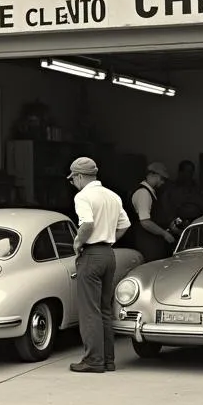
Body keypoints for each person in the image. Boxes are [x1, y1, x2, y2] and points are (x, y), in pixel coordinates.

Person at [66, 156, 131, 374]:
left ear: (80, 176)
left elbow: (87, 224)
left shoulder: (83, 197)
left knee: (89, 310)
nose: (73, 183)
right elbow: (126, 225)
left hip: (91, 254)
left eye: (73, 179)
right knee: (104, 309)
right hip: (108, 254)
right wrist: (108, 238)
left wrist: (78, 242)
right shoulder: (112, 196)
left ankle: (93, 360)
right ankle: (108, 360)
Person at [127, 162, 176, 263]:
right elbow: (145, 222)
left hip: (151, 241)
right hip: (147, 242)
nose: (163, 182)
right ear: (154, 175)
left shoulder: (150, 192)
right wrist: (164, 234)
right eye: (162, 179)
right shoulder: (143, 193)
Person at [162, 159, 203, 231]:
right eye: (188, 171)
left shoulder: (197, 188)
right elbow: (168, 210)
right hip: (178, 224)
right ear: (180, 172)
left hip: (197, 223)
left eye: (192, 171)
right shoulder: (171, 189)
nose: (190, 174)